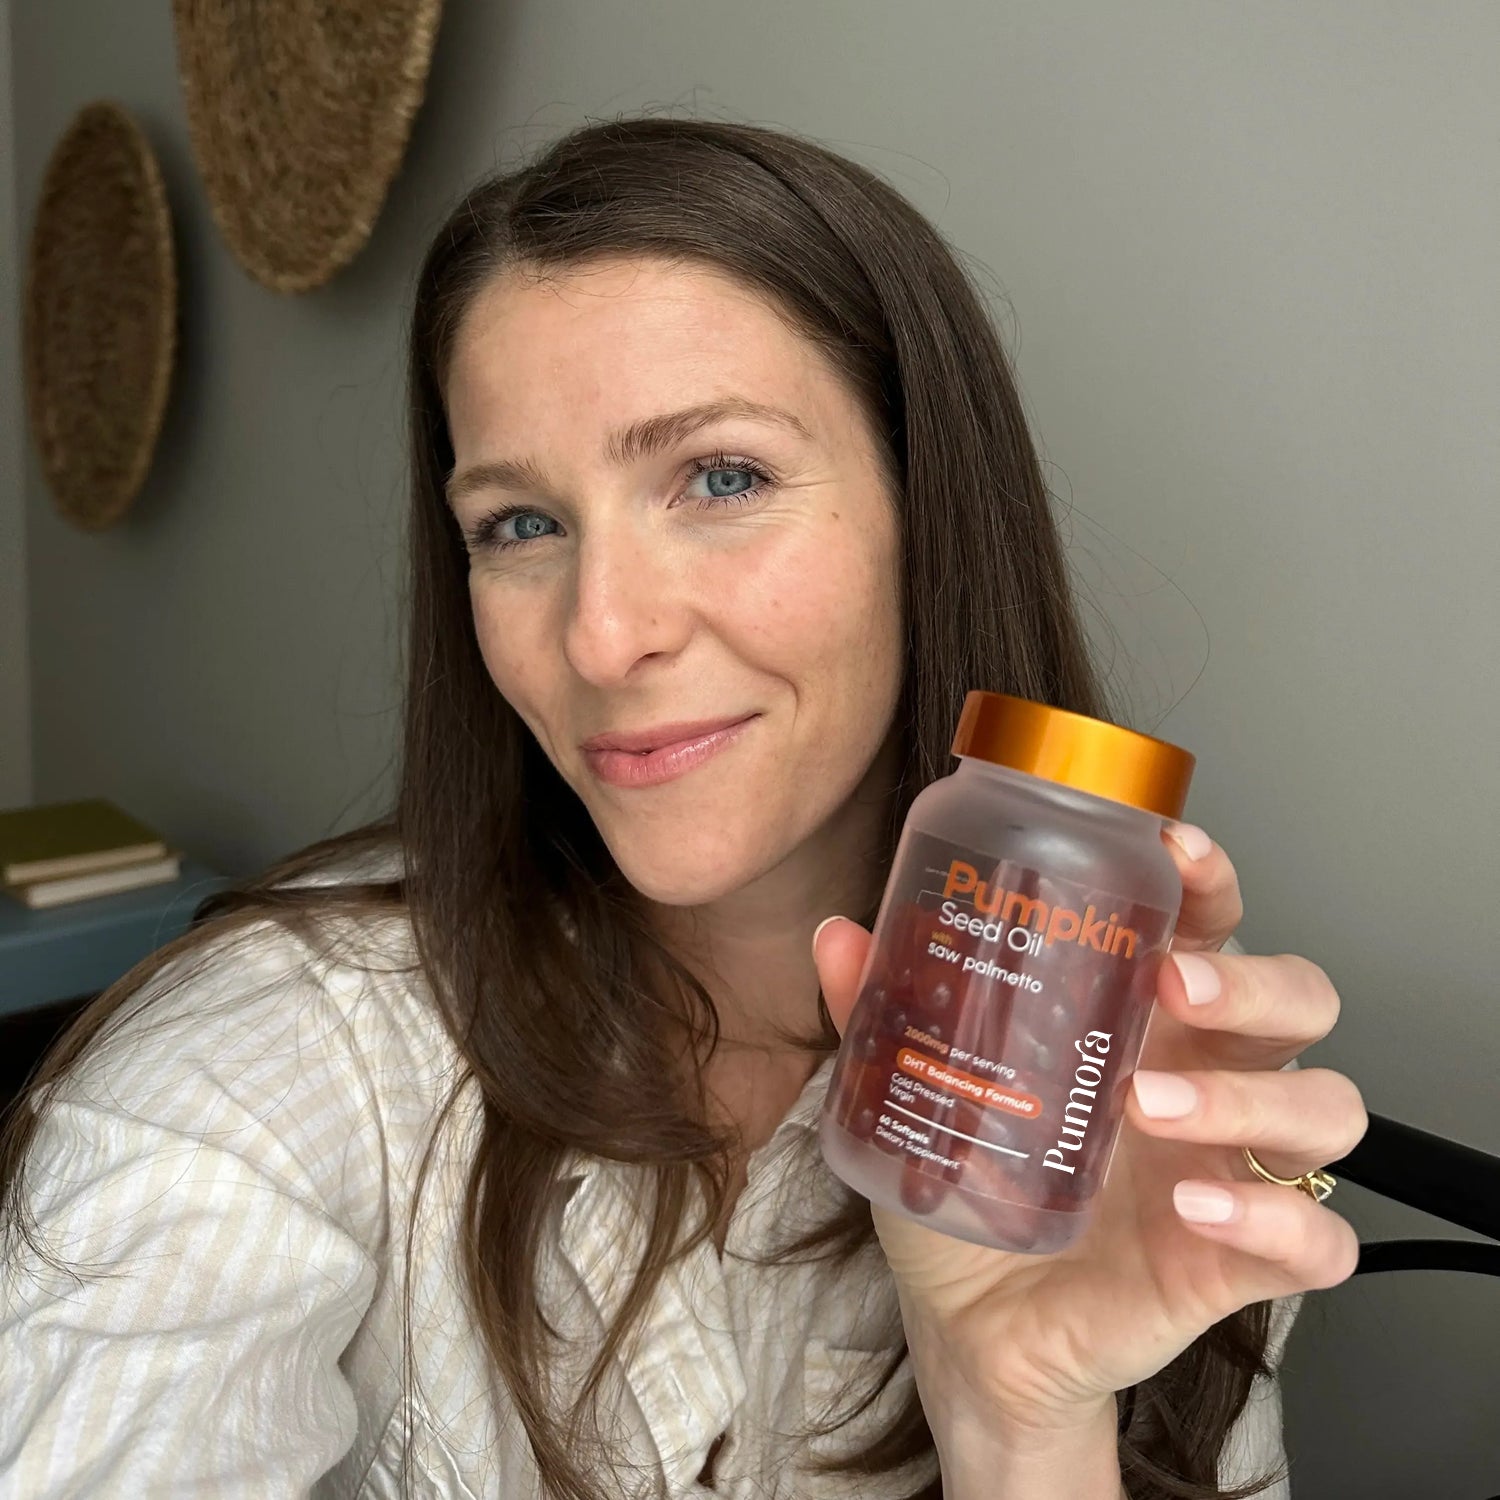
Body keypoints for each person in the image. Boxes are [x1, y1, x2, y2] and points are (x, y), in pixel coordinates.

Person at [0, 115, 1365, 1500]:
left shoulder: (1125, 1093)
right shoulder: (262, 1070)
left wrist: (1017, 1425)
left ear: (928, 507)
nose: (602, 637)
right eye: (520, 524)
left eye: (721, 478)